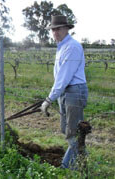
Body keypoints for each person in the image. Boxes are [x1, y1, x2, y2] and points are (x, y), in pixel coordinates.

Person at [41, 15, 88, 169]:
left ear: (67, 29)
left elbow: (64, 77)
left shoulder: (72, 47)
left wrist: (49, 99)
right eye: (53, 30)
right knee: (66, 129)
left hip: (74, 91)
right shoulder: (62, 47)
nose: (55, 32)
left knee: (72, 132)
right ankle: (81, 159)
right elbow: (61, 78)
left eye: (58, 29)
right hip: (65, 92)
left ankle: (67, 167)